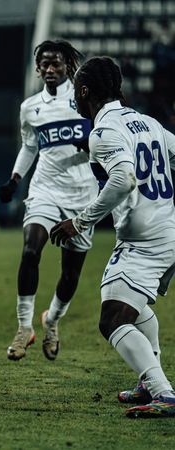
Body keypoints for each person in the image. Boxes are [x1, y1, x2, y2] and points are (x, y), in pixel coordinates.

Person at [50, 56, 175, 418]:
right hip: (164, 230)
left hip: (144, 240)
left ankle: (164, 393)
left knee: (112, 319)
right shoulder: (147, 122)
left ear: (84, 91)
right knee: (130, 304)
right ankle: (147, 382)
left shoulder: (103, 132)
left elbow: (124, 179)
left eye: (75, 92)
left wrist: (80, 221)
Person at [0, 40, 97, 361]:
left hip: (83, 194)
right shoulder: (30, 107)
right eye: (44, 64)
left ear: (68, 66)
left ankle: (51, 321)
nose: (50, 69)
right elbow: (30, 146)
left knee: (70, 274)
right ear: (38, 69)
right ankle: (23, 327)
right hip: (45, 189)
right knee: (30, 251)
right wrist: (15, 180)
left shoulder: (86, 99)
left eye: (56, 63)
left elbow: (105, 139)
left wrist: (91, 145)